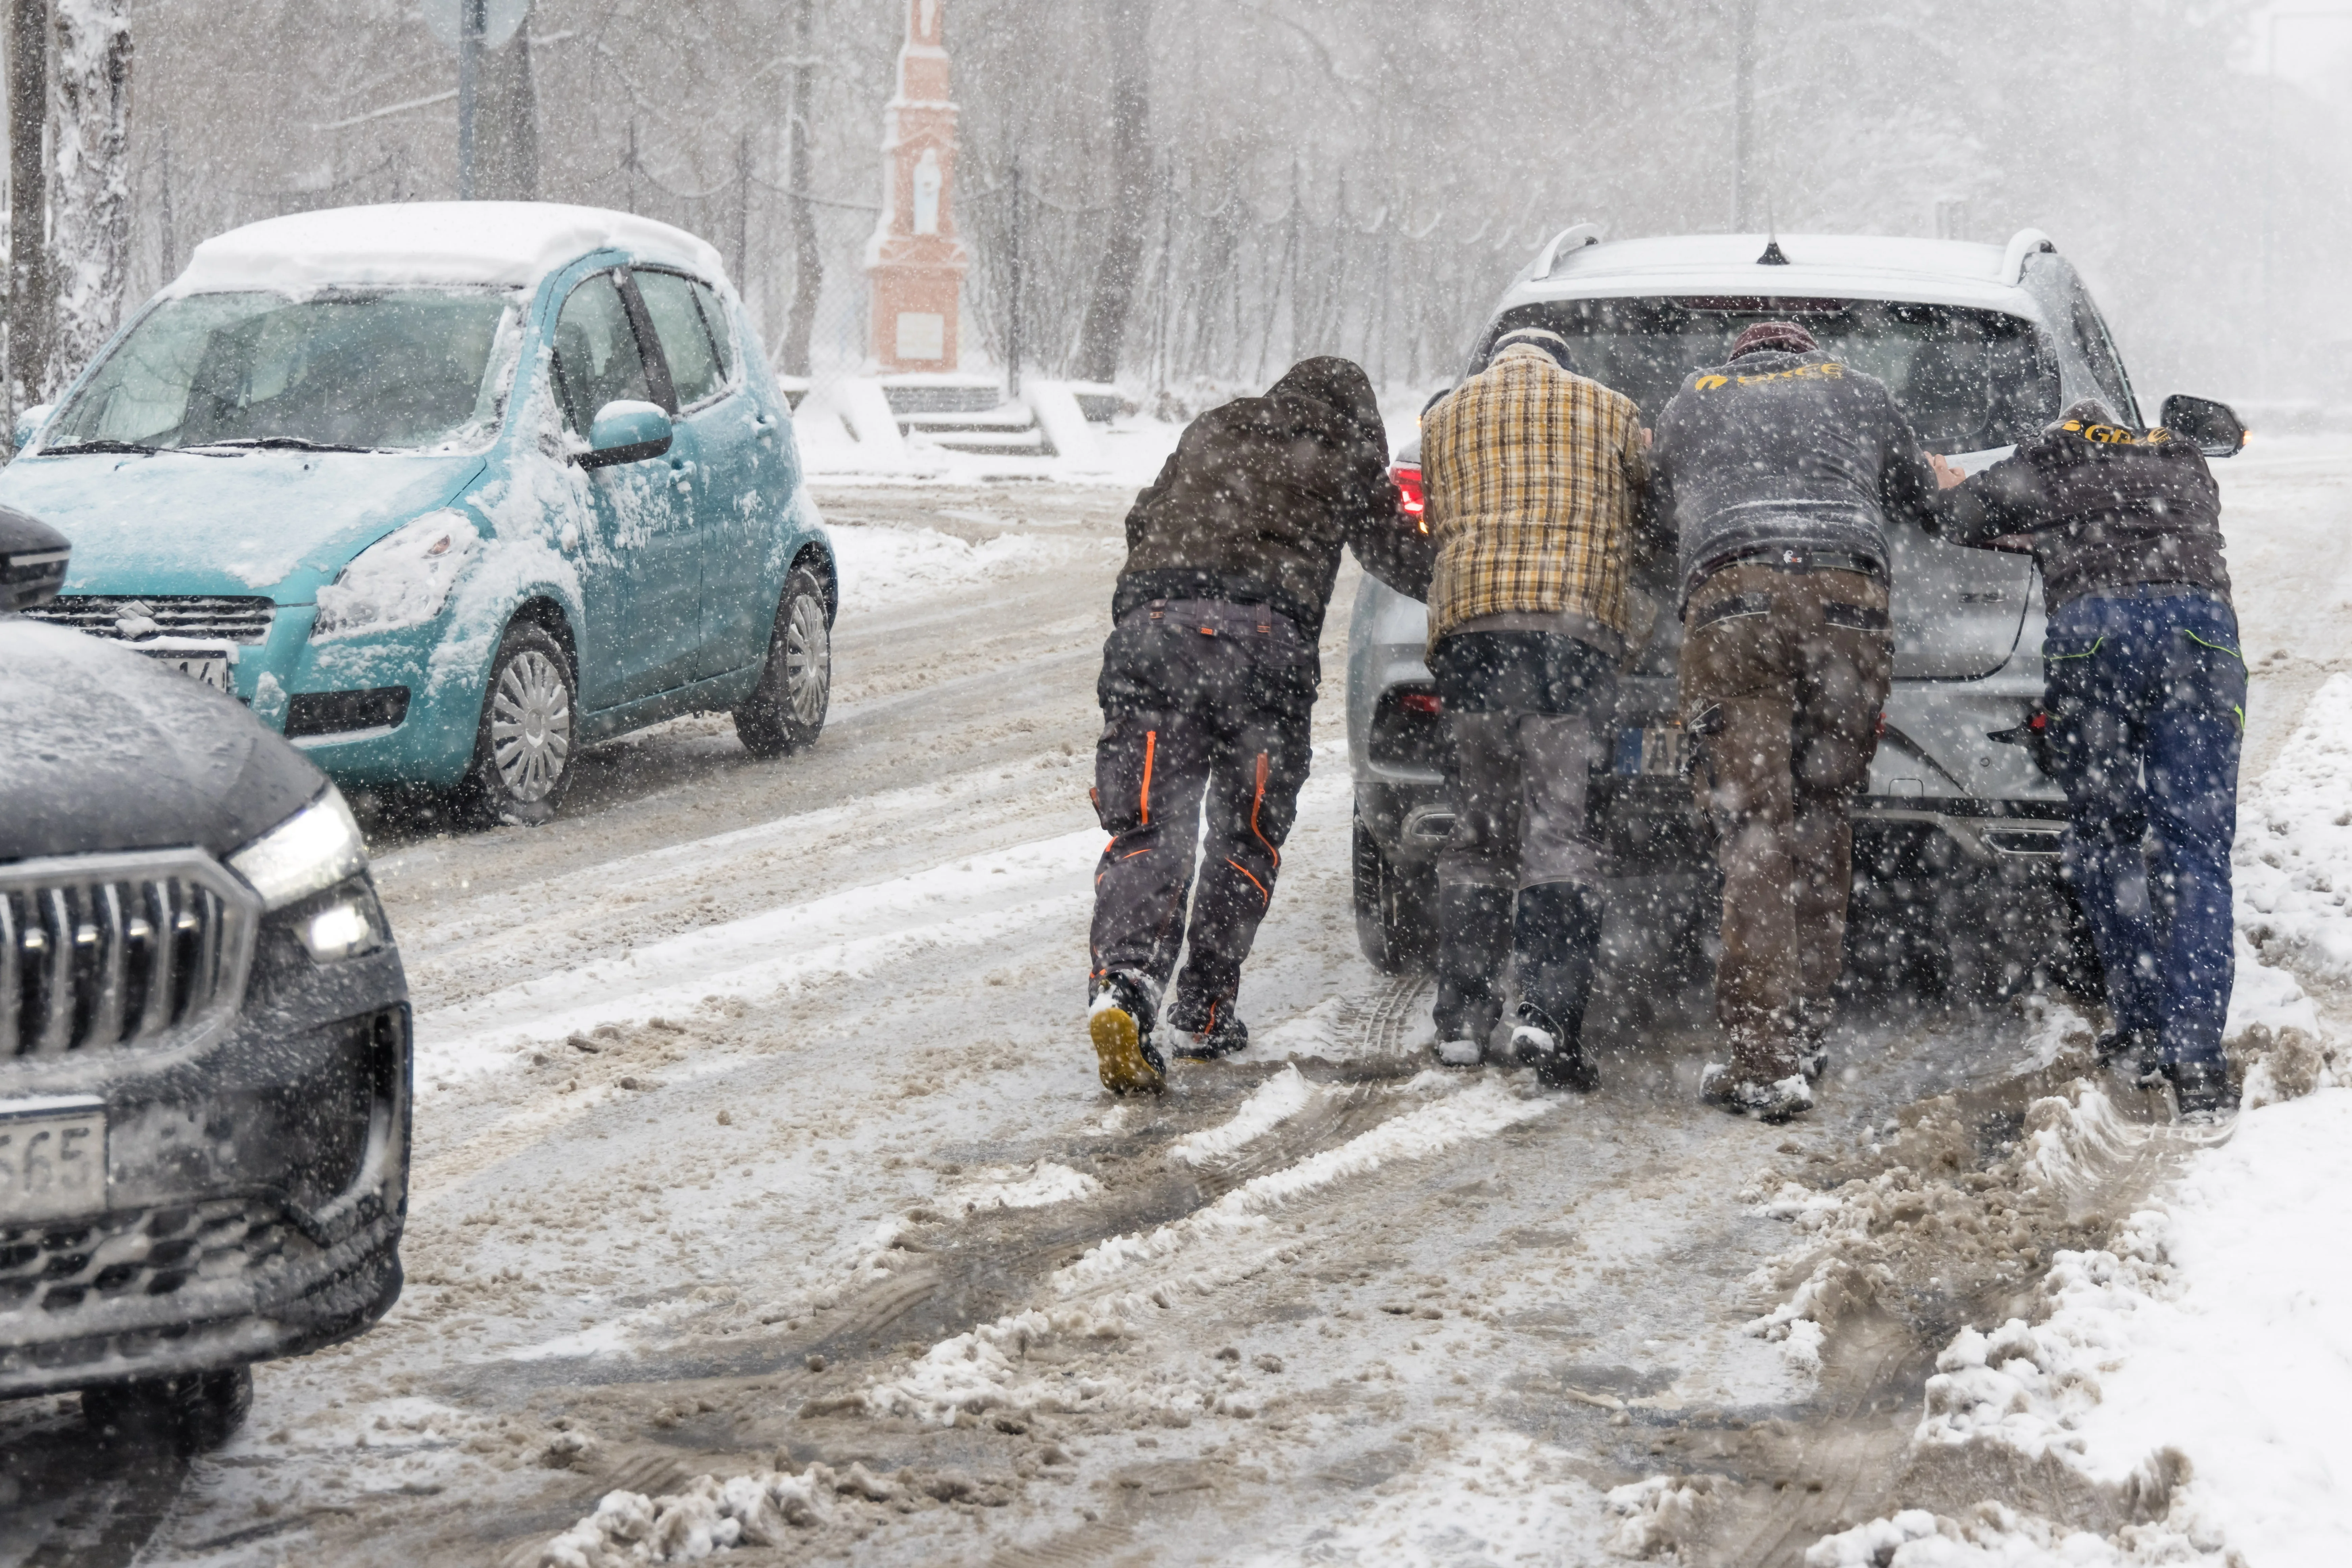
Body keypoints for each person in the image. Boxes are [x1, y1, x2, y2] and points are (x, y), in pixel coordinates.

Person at [1087, 358, 1435, 1095]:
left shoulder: (1216, 426)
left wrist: (1174, 585)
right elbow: (1397, 553)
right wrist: (1466, 581)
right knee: (1245, 833)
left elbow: (1144, 517)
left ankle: (1125, 984)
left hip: (1154, 630)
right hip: (1264, 647)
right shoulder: (1343, 452)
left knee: (1148, 825)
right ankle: (1205, 1011)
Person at [1649, 320, 1947, 1120]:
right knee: (1822, 818)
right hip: (1852, 607)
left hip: (1735, 603)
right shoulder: (1860, 390)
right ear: (1808, 356)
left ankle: (1761, 1058)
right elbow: (1924, 501)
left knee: (1756, 831)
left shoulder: (1691, 399)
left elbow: (1651, 513)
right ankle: (1808, 1032)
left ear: (1739, 358)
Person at [1933, 400, 2242, 1119]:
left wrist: (1949, 482)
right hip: (2202, 634)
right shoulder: (2183, 461)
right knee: (2197, 848)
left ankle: (2138, 1032)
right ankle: (2198, 1061)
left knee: (2106, 836)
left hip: (2096, 634)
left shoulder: (2054, 456)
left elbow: (1958, 519)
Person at [1419, 325, 1660, 1088]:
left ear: (1497, 357)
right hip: (1569, 637)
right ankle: (1549, 1018)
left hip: (1472, 639)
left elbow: (1436, 517)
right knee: (1558, 830)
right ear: (1563, 361)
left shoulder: (1443, 416)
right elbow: (1648, 512)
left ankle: (1461, 1019)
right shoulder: (1611, 409)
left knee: (1479, 832)